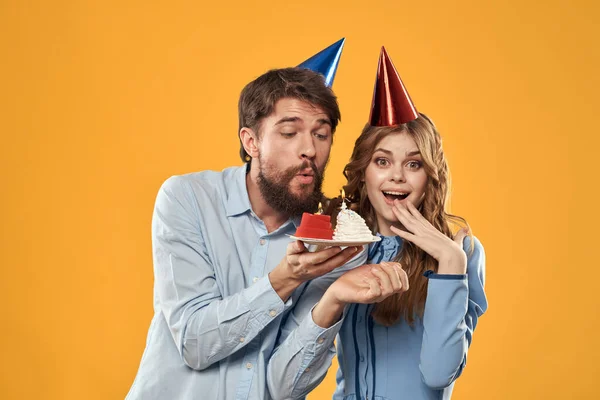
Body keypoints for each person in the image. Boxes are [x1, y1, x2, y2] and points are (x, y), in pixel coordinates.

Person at [126, 40, 404, 400]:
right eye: (289, 133)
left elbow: (284, 386)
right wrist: (286, 278)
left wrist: (333, 298)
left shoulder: (334, 243)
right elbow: (195, 342)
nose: (310, 150)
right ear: (251, 141)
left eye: (321, 134)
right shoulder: (188, 199)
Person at [267, 47, 488, 400]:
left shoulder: (462, 254)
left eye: (414, 164)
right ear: (364, 171)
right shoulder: (338, 245)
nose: (397, 176)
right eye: (382, 161)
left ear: (430, 176)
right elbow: (286, 376)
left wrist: (451, 266)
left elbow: (438, 374)